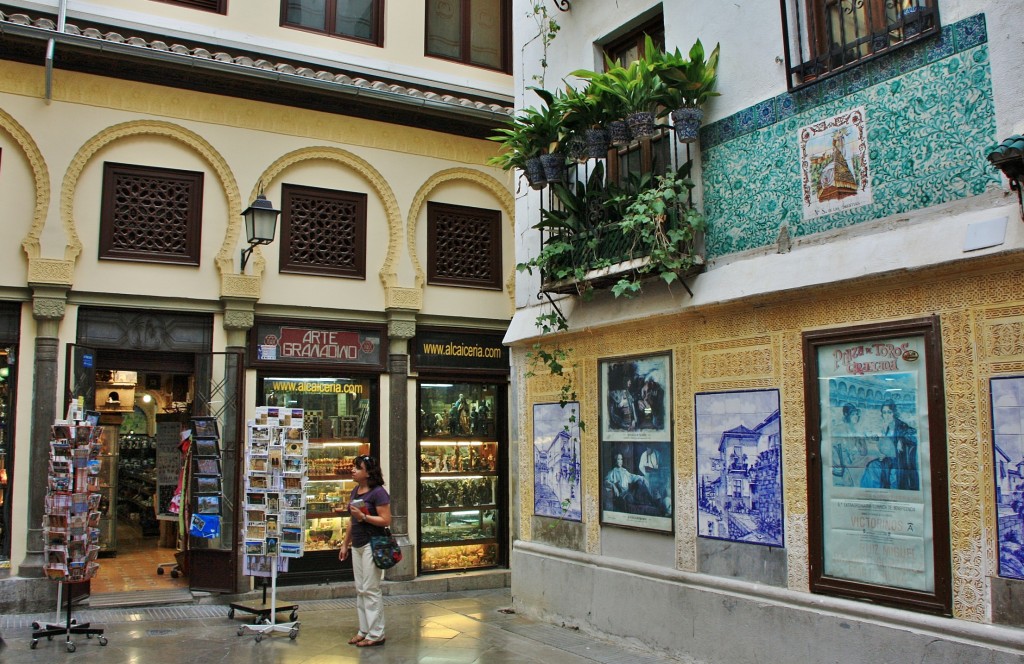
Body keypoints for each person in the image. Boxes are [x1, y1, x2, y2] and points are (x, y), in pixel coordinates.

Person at [338, 455, 391, 647]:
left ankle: (377, 633)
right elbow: (352, 521)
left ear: (367, 473)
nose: (352, 470)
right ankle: (364, 629)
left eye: (357, 468)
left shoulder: (378, 493)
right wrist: (345, 544)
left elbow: (386, 520)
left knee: (370, 589)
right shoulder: (355, 491)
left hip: (372, 544)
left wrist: (364, 517)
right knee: (360, 589)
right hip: (358, 545)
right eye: (353, 467)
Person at [878, 400, 919, 490]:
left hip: (900, 460)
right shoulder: (886, 426)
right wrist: (883, 453)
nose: (887, 415)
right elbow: (885, 445)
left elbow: (914, 435)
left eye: (889, 412)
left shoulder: (901, 425)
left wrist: (902, 440)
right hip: (888, 458)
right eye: (884, 413)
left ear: (894, 413)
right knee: (872, 466)